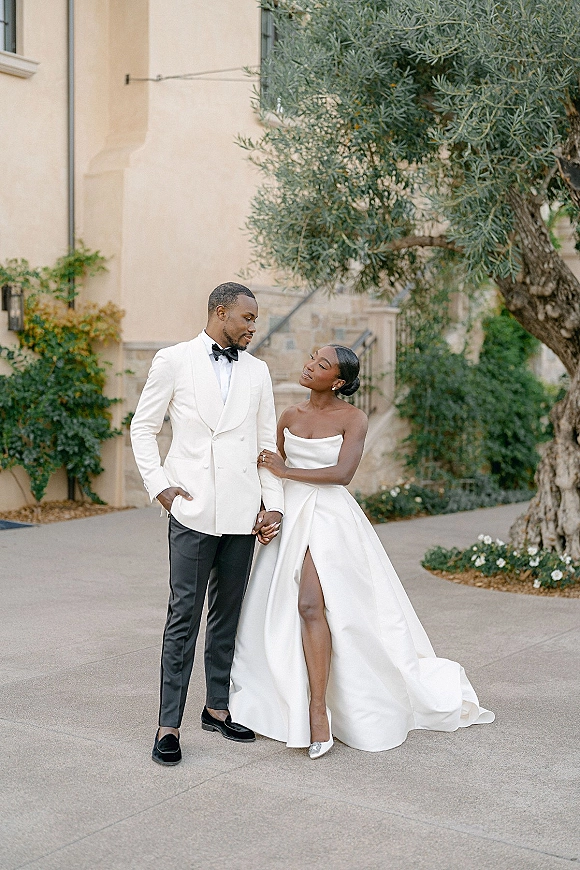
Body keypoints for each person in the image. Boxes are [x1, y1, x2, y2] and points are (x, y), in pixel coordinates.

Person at [229, 345, 494, 758]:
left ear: (337, 381)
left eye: (321, 365)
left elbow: (342, 474)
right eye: (312, 357)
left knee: (309, 605)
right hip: (291, 516)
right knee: (286, 609)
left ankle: (318, 712)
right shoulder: (289, 415)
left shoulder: (354, 418)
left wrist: (286, 470)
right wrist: (268, 513)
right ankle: (298, 702)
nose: (309, 365)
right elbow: (271, 475)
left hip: (330, 519)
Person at [131, 282, 284, 766]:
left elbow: (265, 443)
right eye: (246, 318)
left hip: (242, 513)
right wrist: (160, 487)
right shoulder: (173, 360)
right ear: (221, 313)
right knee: (184, 618)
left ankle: (217, 708)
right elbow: (143, 427)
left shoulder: (258, 372)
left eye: (255, 319)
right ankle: (167, 726)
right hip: (191, 510)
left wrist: (273, 504)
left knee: (227, 617)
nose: (252, 327)